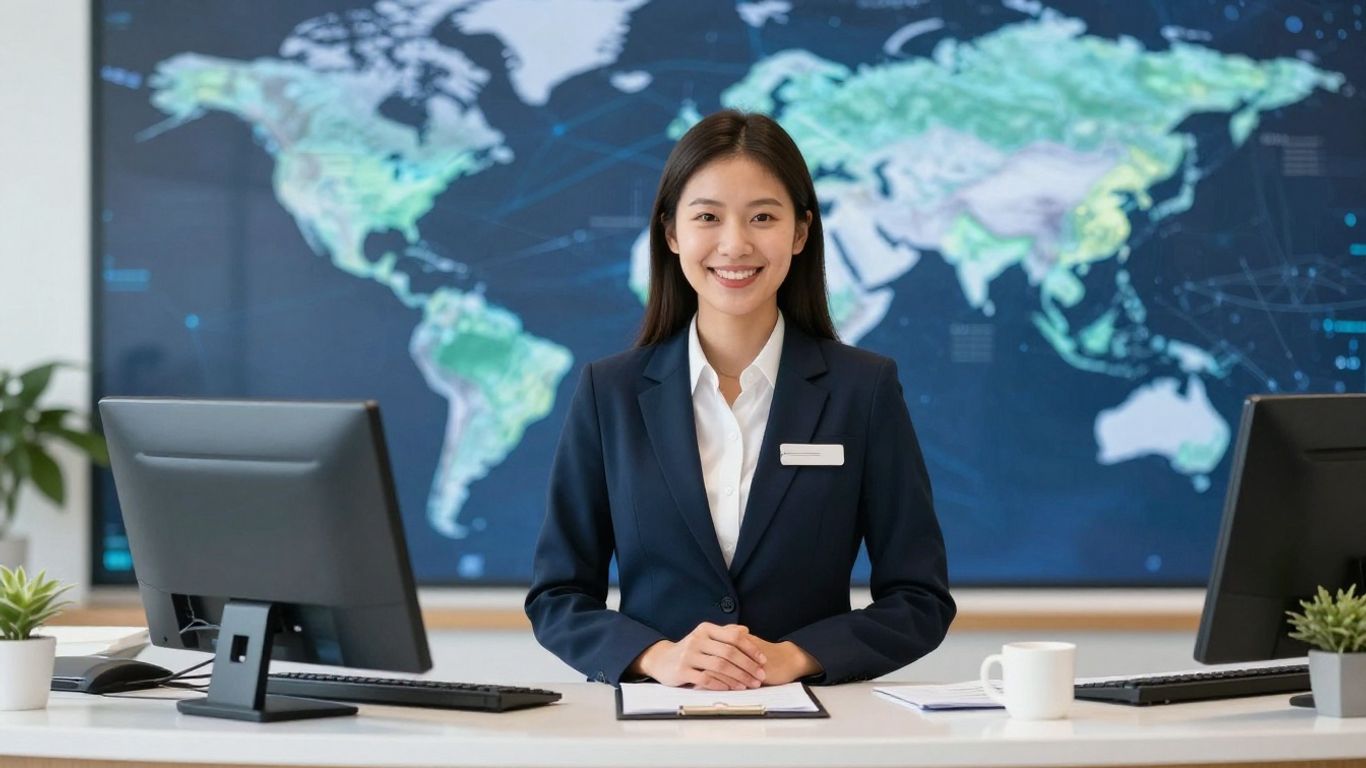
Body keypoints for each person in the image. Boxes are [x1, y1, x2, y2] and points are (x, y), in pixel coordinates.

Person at [525, 110, 954, 690]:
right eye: (707, 217)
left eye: (762, 217)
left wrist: (797, 655)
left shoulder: (863, 389)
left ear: (800, 233)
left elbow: (919, 599)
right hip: (653, 730)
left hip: (816, 730)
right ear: (672, 233)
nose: (735, 244)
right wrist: (656, 656)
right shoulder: (612, 392)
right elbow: (557, 596)